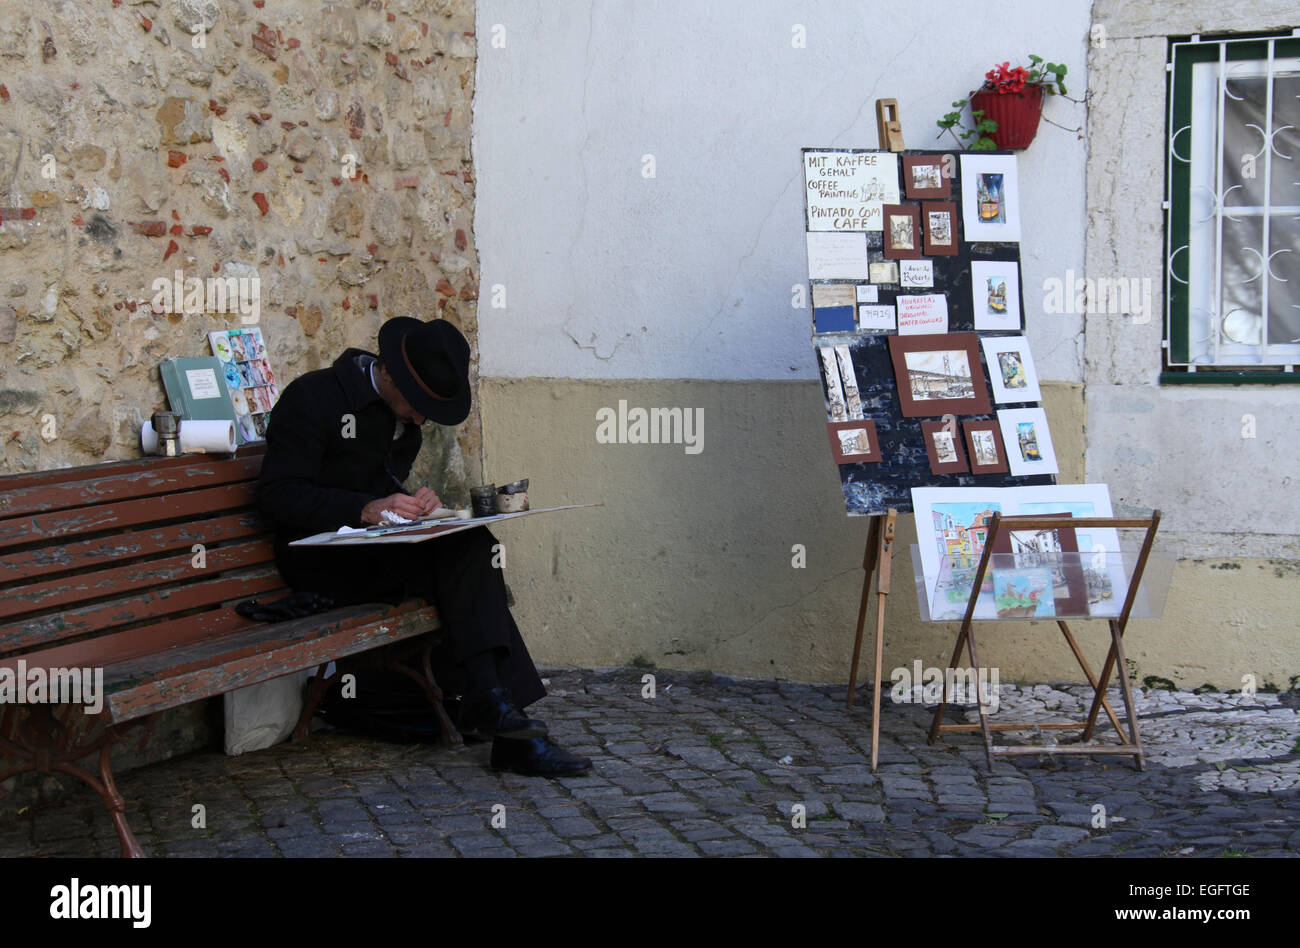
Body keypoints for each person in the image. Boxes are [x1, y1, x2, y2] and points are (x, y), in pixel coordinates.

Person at [256, 316, 591, 777]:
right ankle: (503, 716)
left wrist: (415, 502)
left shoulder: (402, 421)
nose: (420, 418)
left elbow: (379, 484)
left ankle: (501, 714)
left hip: (370, 551)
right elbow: (276, 495)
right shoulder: (312, 397)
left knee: (469, 543)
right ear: (388, 372)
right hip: (318, 562)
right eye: (416, 404)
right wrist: (366, 508)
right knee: (462, 564)